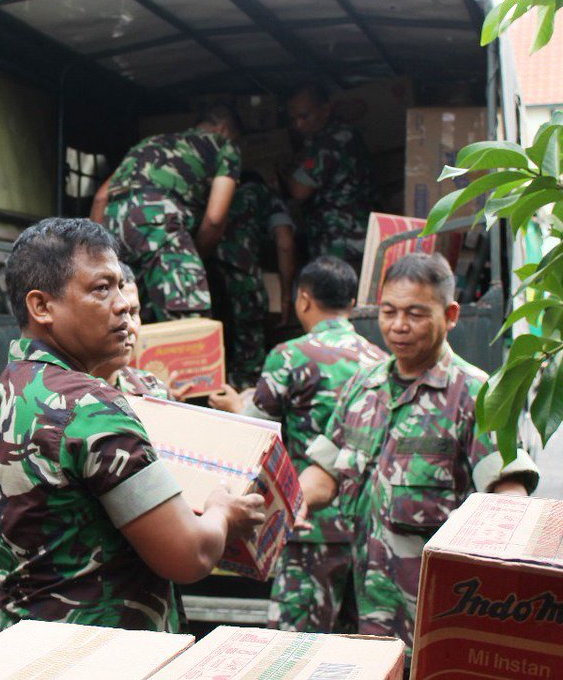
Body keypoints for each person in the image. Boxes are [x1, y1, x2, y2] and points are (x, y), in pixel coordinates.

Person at [0, 217, 266, 632]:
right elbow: (189, 555)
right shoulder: (90, 407)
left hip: (28, 646)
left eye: (121, 287)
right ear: (42, 307)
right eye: (101, 289)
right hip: (109, 650)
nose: (123, 304)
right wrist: (222, 514)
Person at [298, 253, 540, 654]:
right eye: (388, 311)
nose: (398, 326)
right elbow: (324, 471)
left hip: (433, 625)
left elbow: (508, 490)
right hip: (359, 612)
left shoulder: (475, 394)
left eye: (415, 313)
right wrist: (295, 500)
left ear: (450, 315)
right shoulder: (362, 386)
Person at [246, 257, 385, 633]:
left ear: (303, 300)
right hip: (365, 532)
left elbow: (255, 433)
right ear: (352, 304)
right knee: (359, 650)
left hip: (308, 527)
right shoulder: (381, 362)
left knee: (295, 649)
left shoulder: (289, 356)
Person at [93, 103, 242, 322]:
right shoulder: (225, 146)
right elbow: (214, 219)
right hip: (156, 221)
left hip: (113, 224)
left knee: (130, 315)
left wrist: (99, 254)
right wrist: (194, 258)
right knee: (189, 318)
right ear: (224, 129)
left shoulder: (149, 143)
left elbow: (101, 197)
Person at [208, 171, 297, 388]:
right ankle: (243, 394)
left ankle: (214, 392)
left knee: (214, 338)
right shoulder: (267, 195)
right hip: (243, 274)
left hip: (207, 275)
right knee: (249, 348)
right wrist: (286, 297)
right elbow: (285, 242)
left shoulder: (214, 195)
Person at [285, 85, 374, 266]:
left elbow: (299, 190)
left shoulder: (329, 142)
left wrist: (288, 172)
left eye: (304, 116)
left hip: (342, 241)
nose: (298, 125)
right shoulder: (340, 134)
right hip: (356, 237)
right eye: (293, 119)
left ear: (325, 110)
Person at [100, 264, 171, 399]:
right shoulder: (61, 398)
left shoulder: (154, 391)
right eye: (118, 314)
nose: (131, 327)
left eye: (133, 314)